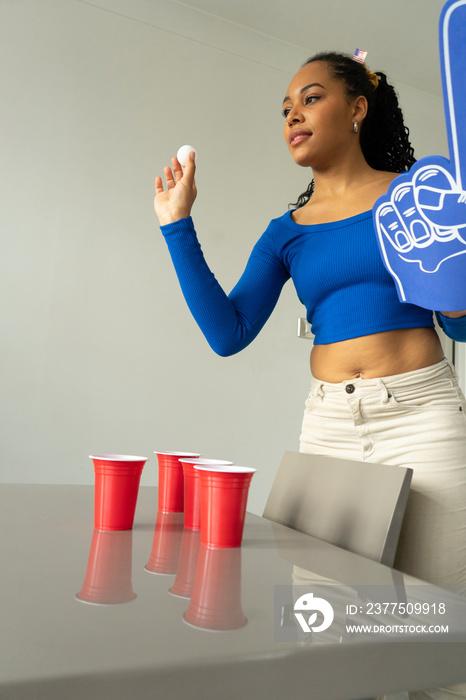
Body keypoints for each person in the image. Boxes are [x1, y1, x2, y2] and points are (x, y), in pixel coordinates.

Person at [154, 51, 466, 699]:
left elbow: (460, 327)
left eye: (313, 97)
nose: (294, 113)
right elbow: (228, 333)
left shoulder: (417, 198)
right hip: (330, 428)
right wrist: (176, 223)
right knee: (327, 636)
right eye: (287, 108)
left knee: (443, 627)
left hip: (424, 419)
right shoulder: (284, 233)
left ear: (358, 109)